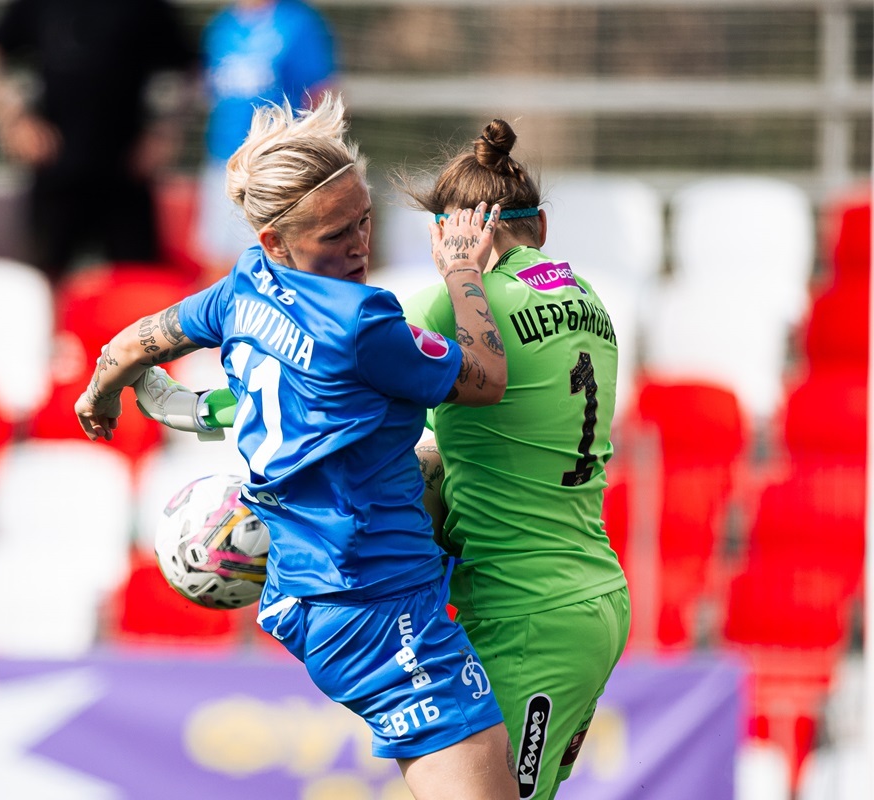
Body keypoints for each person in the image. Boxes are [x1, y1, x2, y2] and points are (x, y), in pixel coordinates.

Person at [138, 119, 632, 800]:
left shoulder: (453, 305)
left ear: (448, 234)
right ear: (540, 226)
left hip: (524, 610)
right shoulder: (592, 302)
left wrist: (212, 410)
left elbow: (335, 394)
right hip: (594, 591)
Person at [77, 93, 517, 800]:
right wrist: (464, 271)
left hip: (313, 593)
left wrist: (101, 392)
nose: (358, 245)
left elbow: (137, 341)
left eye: (364, 220)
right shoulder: (362, 320)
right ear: (277, 241)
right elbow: (486, 379)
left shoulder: (241, 289)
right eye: (335, 233)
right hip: (372, 605)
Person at [0, 0, 199, 286]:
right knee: (40, 286)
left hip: (126, 176)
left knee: (138, 290)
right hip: (55, 171)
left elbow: (192, 67)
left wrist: (164, 133)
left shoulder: (143, 6)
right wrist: (14, 120)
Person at [196, 0, 337, 275]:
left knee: (277, 259)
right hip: (224, 161)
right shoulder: (221, 26)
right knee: (218, 260)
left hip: (275, 165)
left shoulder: (298, 22)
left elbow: (321, 95)